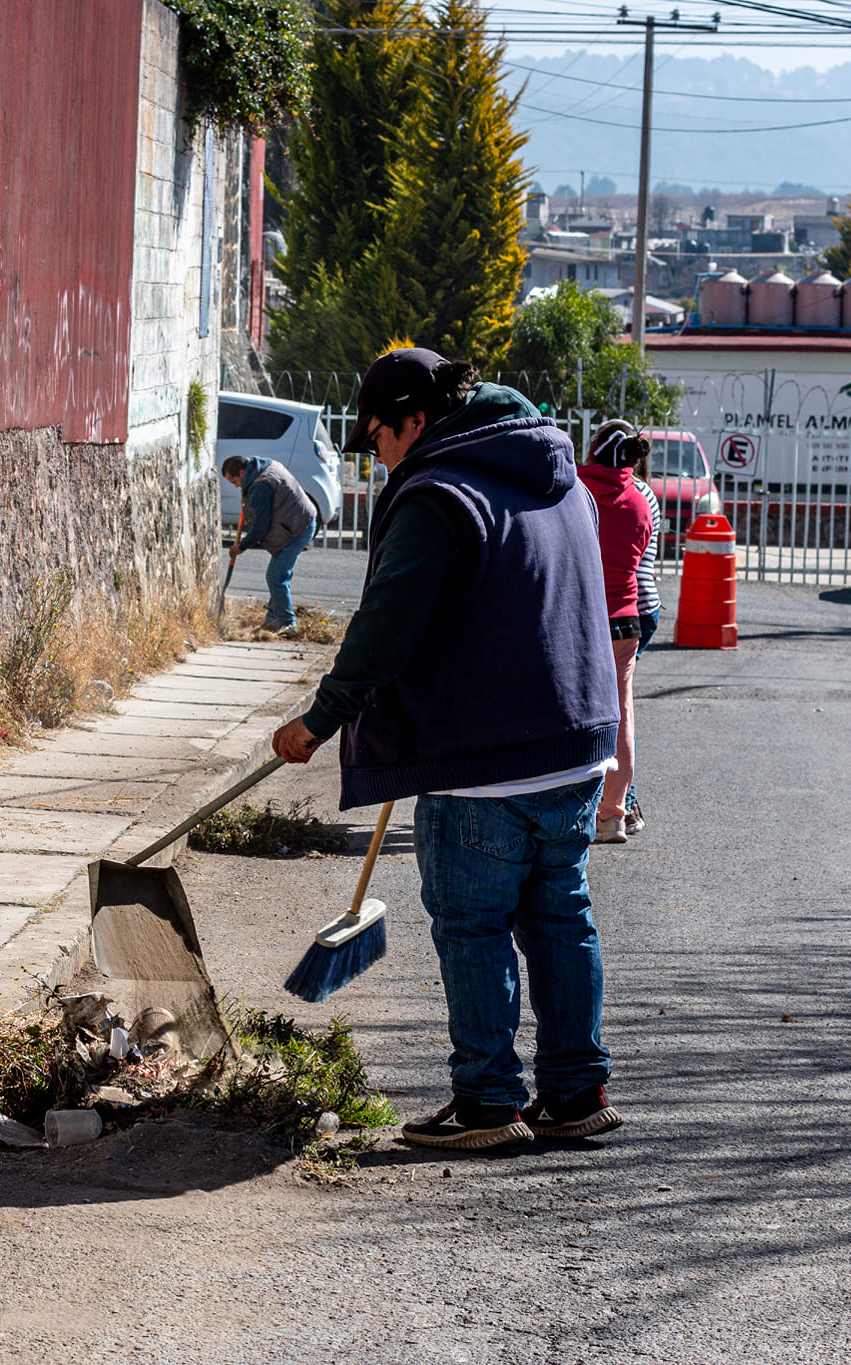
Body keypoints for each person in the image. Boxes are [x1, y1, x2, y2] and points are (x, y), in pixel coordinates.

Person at [271, 348, 622, 1152]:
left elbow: (386, 627)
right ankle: (576, 1093)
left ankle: (489, 1103)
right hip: (574, 746)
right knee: (561, 916)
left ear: (416, 422)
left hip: (484, 759)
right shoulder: (552, 469)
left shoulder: (436, 494)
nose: (381, 458)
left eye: (382, 439)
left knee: (475, 927)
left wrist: (319, 722)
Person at [578, 421, 655, 845]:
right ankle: (613, 816)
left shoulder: (574, 491)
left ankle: (572, 807)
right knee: (621, 715)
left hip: (582, 618)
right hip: (626, 621)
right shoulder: (641, 502)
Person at [223, 453, 317, 635]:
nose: (236, 486)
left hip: (298, 528)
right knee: (275, 575)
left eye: (234, 481)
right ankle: (273, 620)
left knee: (276, 577)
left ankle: (288, 624)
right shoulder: (263, 467)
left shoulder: (260, 486)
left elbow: (260, 527)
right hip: (294, 522)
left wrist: (240, 546)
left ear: (242, 473)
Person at [625, 438, 664, 837]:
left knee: (615, 708)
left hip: (624, 607)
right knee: (621, 703)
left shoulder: (623, 494)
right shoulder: (646, 493)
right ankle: (623, 801)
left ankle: (625, 801)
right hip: (644, 607)